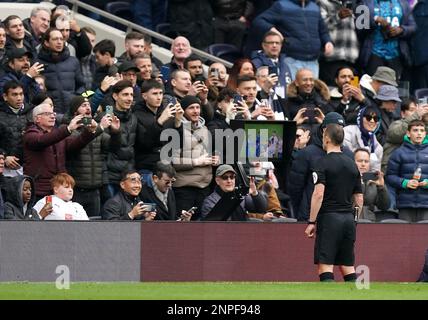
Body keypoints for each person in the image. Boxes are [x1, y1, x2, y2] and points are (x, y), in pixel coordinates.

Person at [305, 123, 363, 282]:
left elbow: (318, 194)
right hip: (349, 220)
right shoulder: (353, 165)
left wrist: (311, 221)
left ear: (328, 139)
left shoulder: (322, 163)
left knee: (325, 264)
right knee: (347, 265)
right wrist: (354, 219)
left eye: (323, 136)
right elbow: (359, 198)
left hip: (330, 218)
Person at [23, 103, 99, 200]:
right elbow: (42, 140)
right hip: (39, 189)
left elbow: (75, 145)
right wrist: (68, 129)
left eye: (53, 114)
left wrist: (90, 131)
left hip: (59, 188)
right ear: (37, 118)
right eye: (47, 114)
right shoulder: (31, 134)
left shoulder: (57, 133)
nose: (52, 116)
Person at [288, 112, 353, 221]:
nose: (338, 132)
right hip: (310, 215)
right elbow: (295, 188)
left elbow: (354, 191)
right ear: (324, 130)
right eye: (335, 129)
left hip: (339, 215)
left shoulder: (349, 155)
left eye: (341, 129)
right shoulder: (307, 153)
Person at [64, 95, 120, 217]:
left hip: (95, 190)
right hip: (76, 189)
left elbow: (112, 147)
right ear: (75, 111)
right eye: (83, 106)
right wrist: (99, 128)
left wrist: (115, 133)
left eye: (89, 105)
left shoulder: (95, 128)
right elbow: (75, 146)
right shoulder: (68, 129)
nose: (88, 107)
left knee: (93, 227)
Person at [251, 0, 333, 79]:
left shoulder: (314, 7)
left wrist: (327, 41)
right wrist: (275, 32)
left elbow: (323, 30)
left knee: (310, 92)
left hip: (313, 61)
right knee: (292, 91)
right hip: (291, 60)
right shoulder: (281, 5)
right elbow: (259, 20)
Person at [172, 95, 219, 219]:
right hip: (184, 189)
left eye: (198, 107)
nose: (196, 111)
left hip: (204, 188)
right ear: (183, 111)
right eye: (191, 108)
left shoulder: (205, 129)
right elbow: (173, 161)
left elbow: (208, 155)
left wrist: (215, 160)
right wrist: (196, 162)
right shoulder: (177, 130)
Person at [357, 0, 416, 80]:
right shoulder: (366, 2)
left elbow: (413, 26)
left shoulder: (403, 3)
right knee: (373, 88)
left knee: (393, 89)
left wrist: (401, 30)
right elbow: (359, 29)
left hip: (396, 54)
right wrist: (374, 21)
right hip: (373, 53)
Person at [386, 120, 428, 222]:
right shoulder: (398, 153)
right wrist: (405, 183)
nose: (419, 133)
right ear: (408, 133)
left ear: (425, 133)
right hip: (405, 204)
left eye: (422, 130)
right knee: (405, 236)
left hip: (426, 204)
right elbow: (390, 177)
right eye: (415, 130)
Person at [37, 27, 85, 115]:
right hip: (49, 112)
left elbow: (81, 85)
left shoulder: (73, 61)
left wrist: (75, 99)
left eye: (61, 39)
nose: (59, 42)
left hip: (71, 111)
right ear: (46, 42)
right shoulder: (37, 63)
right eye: (55, 39)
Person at [200, 164, 268, 221]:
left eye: (232, 177)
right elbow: (212, 226)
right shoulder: (210, 201)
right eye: (225, 177)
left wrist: (255, 193)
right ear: (217, 181)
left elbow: (261, 208)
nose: (229, 181)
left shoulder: (240, 195)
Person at [317, 0, 359, 86]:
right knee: (332, 94)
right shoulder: (322, 3)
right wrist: (338, 16)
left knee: (353, 91)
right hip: (331, 59)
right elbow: (320, 27)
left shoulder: (351, 3)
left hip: (351, 59)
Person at [0, 81, 34, 177]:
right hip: (6, 168)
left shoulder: (31, 112)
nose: (19, 98)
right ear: (5, 97)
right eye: (14, 95)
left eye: (21, 94)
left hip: (29, 166)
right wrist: (4, 157)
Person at [251, 30, 292, 99]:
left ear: (281, 46)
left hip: (284, 106)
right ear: (264, 45)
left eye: (277, 43)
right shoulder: (255, 64)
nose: (274, 45)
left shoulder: (285, 65)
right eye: (271, 43)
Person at [354, 148, 390, 222]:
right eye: (360, 161)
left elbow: (385, 206)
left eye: (366, 161)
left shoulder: (374, 179)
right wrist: (359, 181)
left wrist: (381, 188)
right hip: (351, 220)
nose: (363, 164)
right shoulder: (347, 178)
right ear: (353, 162)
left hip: (370, 221)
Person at [343, 107, 383, 172]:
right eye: (368, 117)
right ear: (360, 118)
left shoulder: (378, 148)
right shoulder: (347, 133)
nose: (372, 121)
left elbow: (375, 172)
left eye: (376, 119)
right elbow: (346, 159)